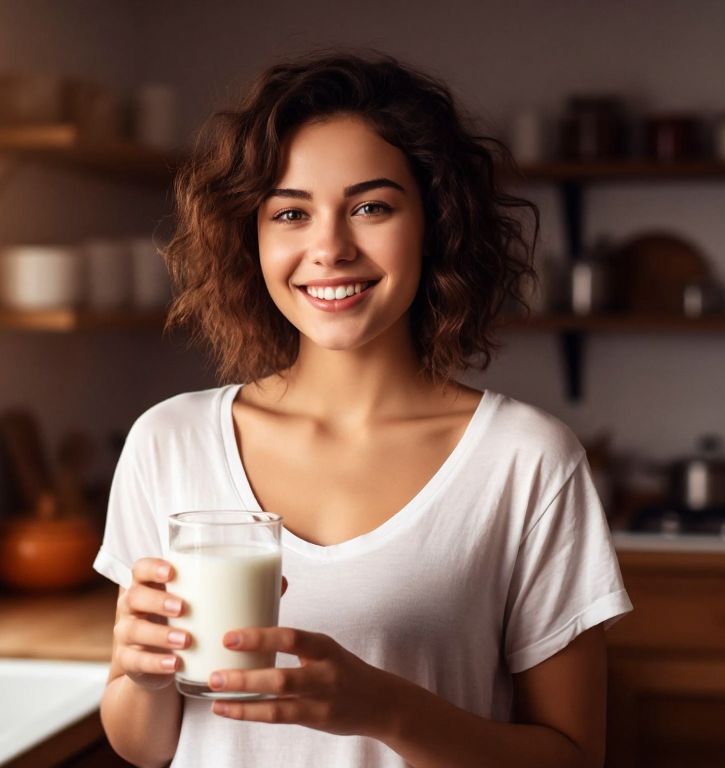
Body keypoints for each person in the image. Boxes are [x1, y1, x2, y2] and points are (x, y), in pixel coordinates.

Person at [92, 50, 633, 768]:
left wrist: (386, 710)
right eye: (291, 212)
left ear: (435, 222)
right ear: (252, 238)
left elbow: (573, 759)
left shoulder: (526, 460)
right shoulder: (170, 441)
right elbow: (143, 746)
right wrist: (141, 674)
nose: (330, 248)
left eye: (371, 207)